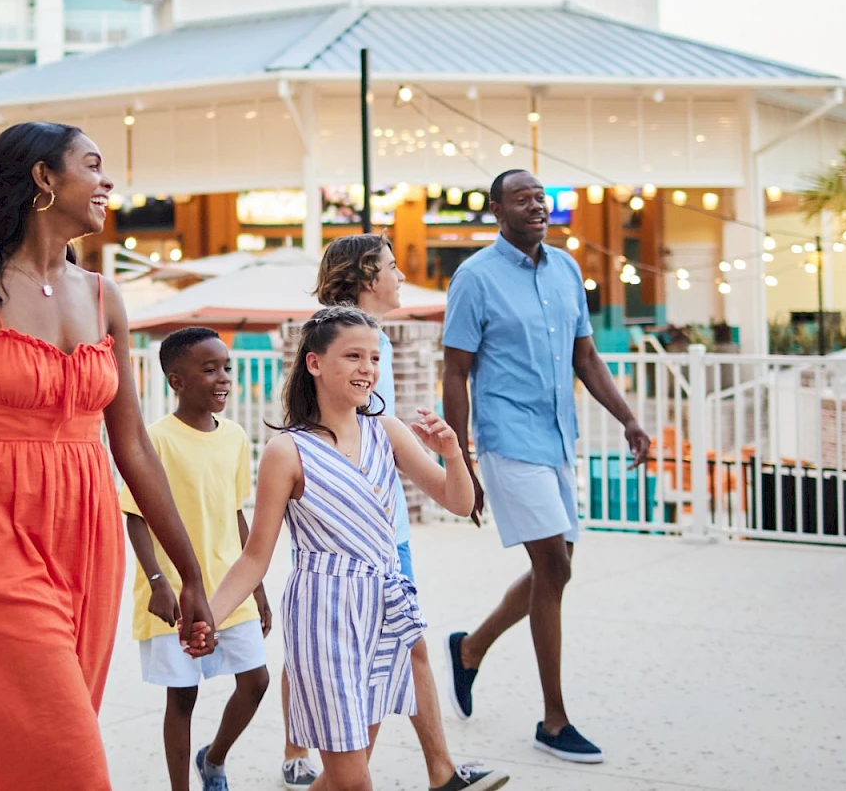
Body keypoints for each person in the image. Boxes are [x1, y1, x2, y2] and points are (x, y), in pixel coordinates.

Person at [0, 121, 217, 791]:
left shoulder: (104, 295)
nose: (109, 182)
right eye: (92, 165)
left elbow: (133, 447)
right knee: (68, 746)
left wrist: (191, 575)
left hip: (88, 533)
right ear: (44, 178)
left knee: (37, 738)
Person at [206, 306, 477, 791]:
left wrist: (453, 452)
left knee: (340, 779)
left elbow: (458, 501)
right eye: (353, 356)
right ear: (314, 363)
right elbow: (255, 556)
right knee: (355, 782)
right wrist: (210, 615)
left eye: (373, 357)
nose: (367, 369)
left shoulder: (387, 431)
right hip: (322, 617)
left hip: (384, 612)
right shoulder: (286, 451)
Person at [277, 235, 507, 791]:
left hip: (377, 529)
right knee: (389, 654)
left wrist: (448, 456)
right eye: (393, 266)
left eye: (372, 361)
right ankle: (422, 771)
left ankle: (399, 767)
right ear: (365, 274)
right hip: (365, 537)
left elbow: (430, 474)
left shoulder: (356, 348)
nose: (402, 276)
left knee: (395, 652)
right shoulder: (341, 337)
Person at [441, 170, 651, 765]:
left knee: (556, 571)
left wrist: (629, 419)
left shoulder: (564, 270)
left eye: (541, 197)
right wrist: (461, 459)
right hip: (507, 438)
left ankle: (470, 649)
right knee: (553, 565)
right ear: (496, 210)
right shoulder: (475, 277)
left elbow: (586, 356)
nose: (535, 205)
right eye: (522, 198)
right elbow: (455, 371)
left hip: (559, 437)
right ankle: (554, 721)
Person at [125, 327, 271, 791]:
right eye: (209, 370)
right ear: (176, 381)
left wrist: (259, 587)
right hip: (175, 595)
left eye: (226, 367)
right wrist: (156, 581)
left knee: (257, 681)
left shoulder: (234, 437)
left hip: (231, 588)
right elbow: (135, 516)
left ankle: (215, 757)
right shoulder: (155, 441)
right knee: (183, 698)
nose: (223, 378)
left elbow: (236, 514)